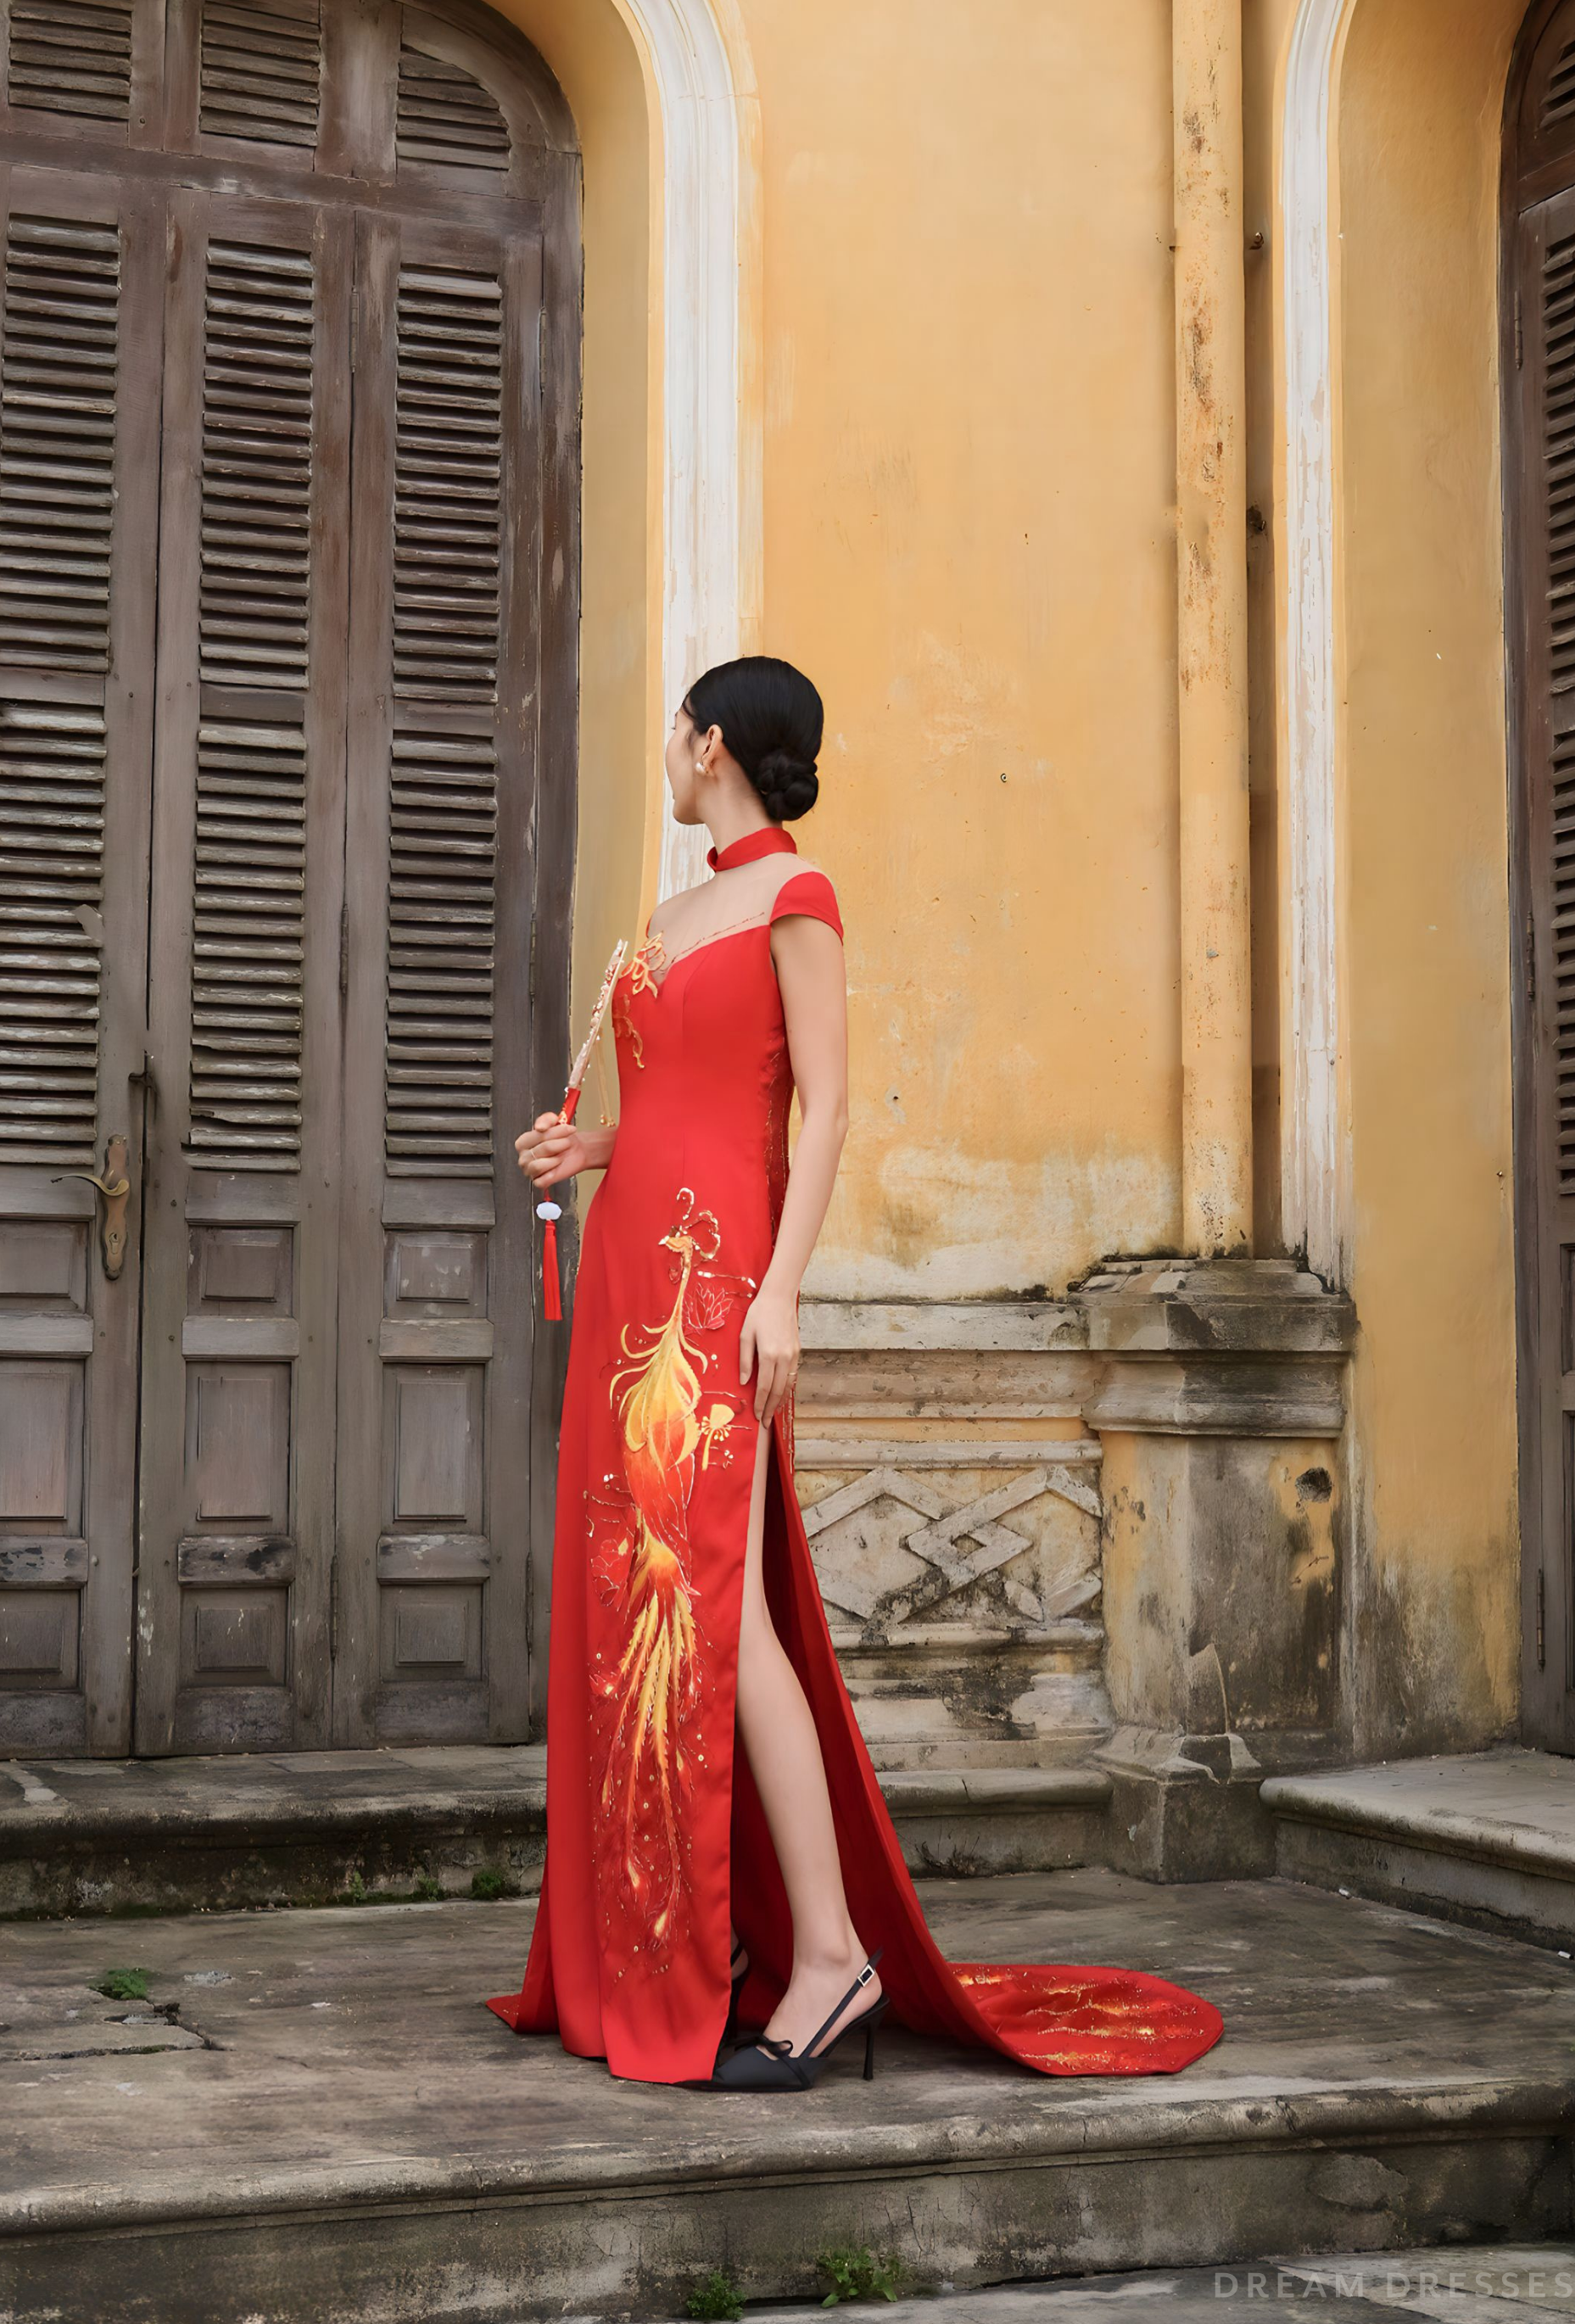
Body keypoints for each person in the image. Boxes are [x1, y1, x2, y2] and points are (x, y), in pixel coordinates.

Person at [489, 656, 1222, 2090]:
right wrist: (594, 1152)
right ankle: (654, 1946)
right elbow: (680, 1108)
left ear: (714, 742)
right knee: (639, 1600)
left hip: (719, 1290)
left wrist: (782, 1295)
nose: (665, 750)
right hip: (636, 1270)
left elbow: (819, 1111)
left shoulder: (797, 898)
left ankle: (828, 1955)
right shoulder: (678, 902)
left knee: (720, 1610)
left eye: (675, 731)